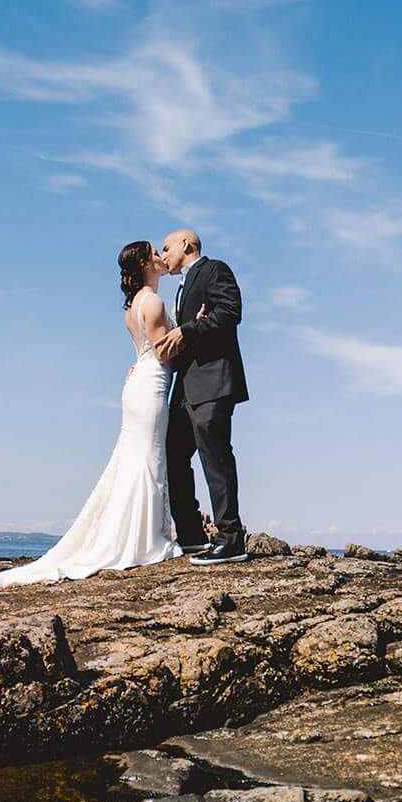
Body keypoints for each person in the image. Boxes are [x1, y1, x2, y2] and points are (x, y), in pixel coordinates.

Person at [0, 241, 182, 597]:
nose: (163, 257)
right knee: (147, 457)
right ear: (147, 263)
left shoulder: (132, 307)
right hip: (150, 386)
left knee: (133, 458)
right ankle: (143, 540)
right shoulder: (154, 302)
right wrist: (194, 327)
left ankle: (137, 533)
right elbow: (165, 351)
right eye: (155, 253)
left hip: (136, 384)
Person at [154, 228, 249, 565]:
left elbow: (230, 312)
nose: (163, 255)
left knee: (216, 458)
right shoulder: (180, 290)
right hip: (185, 389)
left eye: (166, 247)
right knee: (172, 456)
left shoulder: (215, 269)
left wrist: (189, 329)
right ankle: (192, 534)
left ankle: (231, 539)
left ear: (186, 244)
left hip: (213, 383)